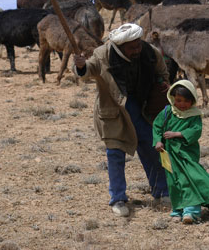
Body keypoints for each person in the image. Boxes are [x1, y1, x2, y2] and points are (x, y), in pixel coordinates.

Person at [73, 23, 170, 217]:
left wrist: (163, 85)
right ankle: (117, 198)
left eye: (138, 45)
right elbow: (89, 70)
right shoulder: (103, 54)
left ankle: (161, 192)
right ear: (120, 46)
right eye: (132, 47)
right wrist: (81, 66)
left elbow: (162, 72)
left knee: (152, 148)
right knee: (115, 154)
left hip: (143, 109)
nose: (137, 50)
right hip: (114, 111)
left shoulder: (149, 52)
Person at [153, 79, 209, 224]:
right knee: (173, 182)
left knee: (188, 179)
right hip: (169, 154)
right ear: (173, 98)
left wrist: (178, 134)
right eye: (179, 100)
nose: (182, 104)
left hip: (186, 154)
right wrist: (158, 141)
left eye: (187, 101)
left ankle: (192, 211)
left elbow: (196, 131)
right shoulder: (167, 112)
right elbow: (157, 127)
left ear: (193, 100)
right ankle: (177, 210)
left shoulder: (194, 115)